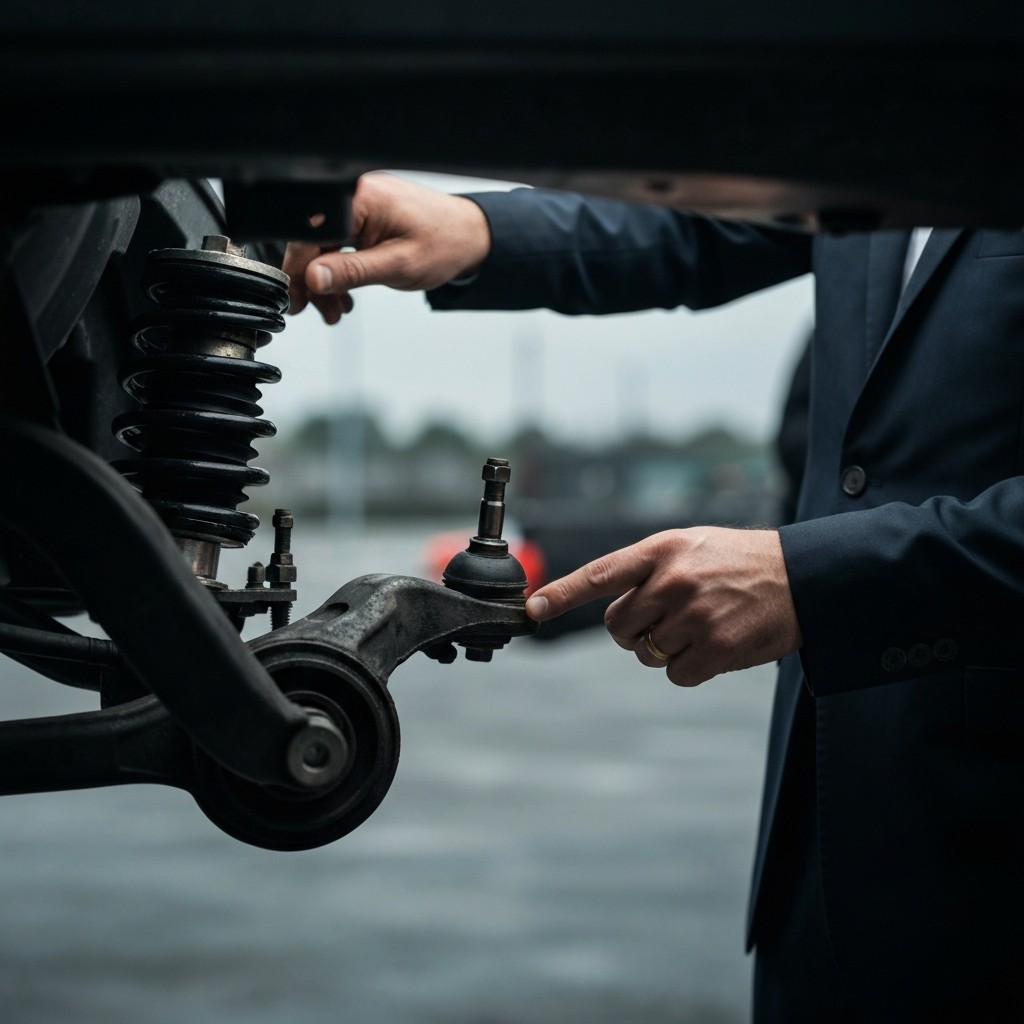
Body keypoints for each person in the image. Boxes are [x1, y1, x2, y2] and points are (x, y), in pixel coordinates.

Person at [284, 173, 1024, 1022]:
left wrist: (816, 577)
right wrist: (474, 225)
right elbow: (708, 224)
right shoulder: (884, 133)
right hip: (825, 863)